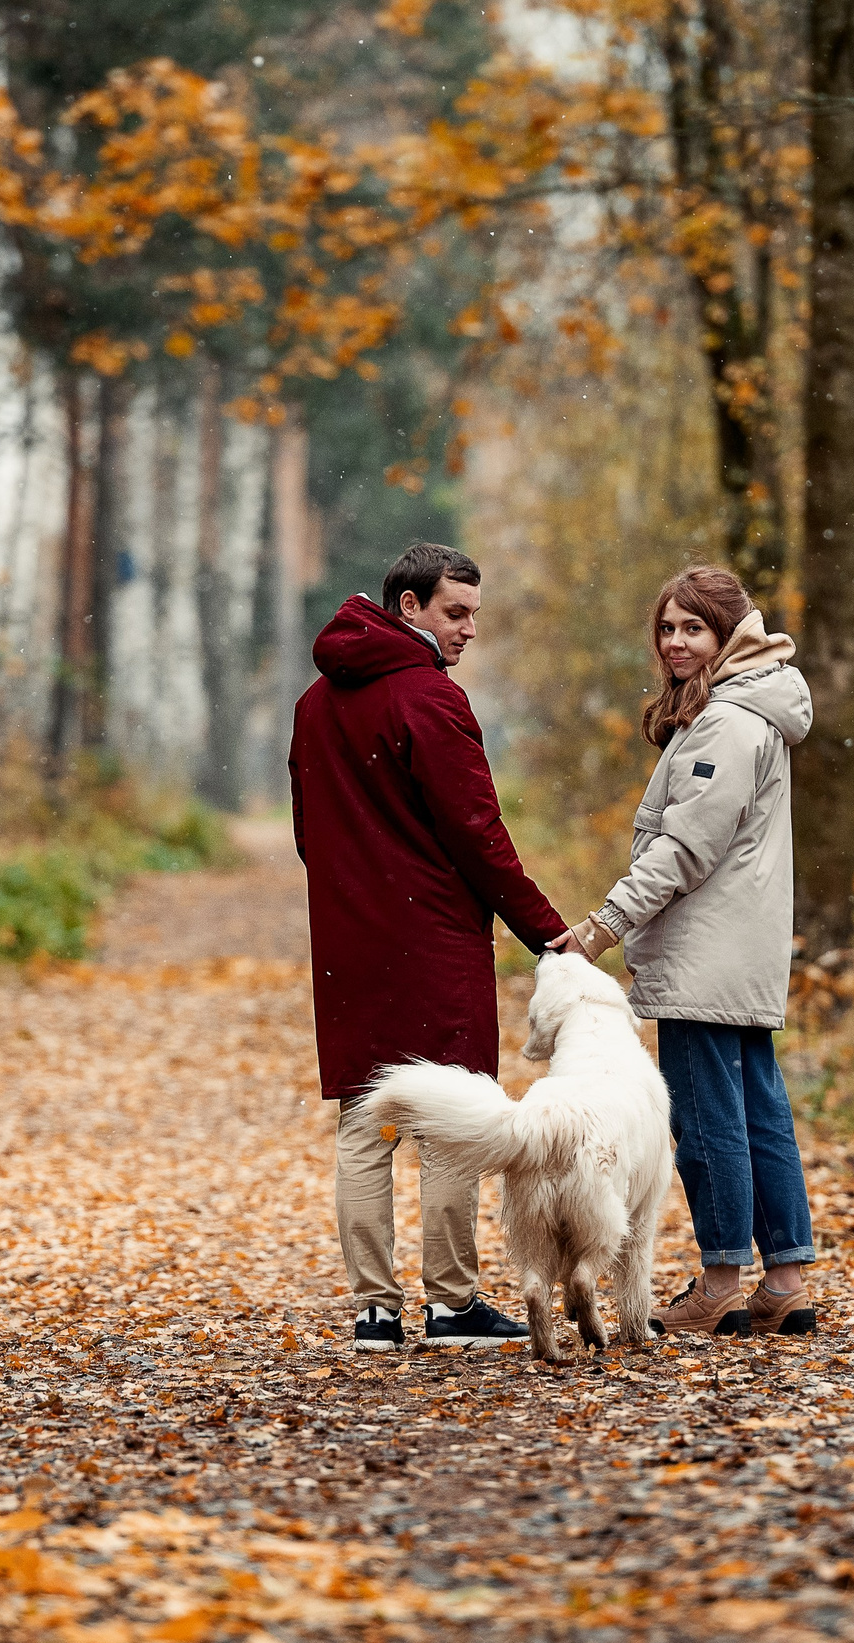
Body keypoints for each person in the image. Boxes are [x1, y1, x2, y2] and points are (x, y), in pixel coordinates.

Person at [289, 541, 571, 1353]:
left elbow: (313, 833)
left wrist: (359, 895)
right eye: (456, 612)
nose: (470, 630)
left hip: (350, 945)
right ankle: (452, 1304)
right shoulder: (430, 701)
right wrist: (549, 935)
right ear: (406, 606)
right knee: (450, 1117)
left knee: (367, 1123)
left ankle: (375, 1311)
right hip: (435, 943)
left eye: (475, 614)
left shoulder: (316, 704)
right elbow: (479, 836)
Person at [552, 565, 818, 1337]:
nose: (674, 642)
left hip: (706, 954)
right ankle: (785, 1278)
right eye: (666, 627)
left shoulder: (730, 721)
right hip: (740, 950)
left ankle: (723, 1278)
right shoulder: (746, 709)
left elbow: (682, 851)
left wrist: (601, 926)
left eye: (692, 628)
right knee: (759, 1112)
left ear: (728, 635)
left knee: (706, 1122)